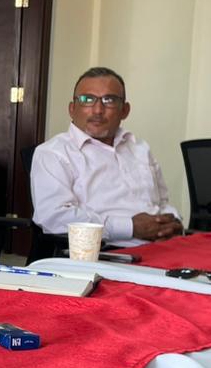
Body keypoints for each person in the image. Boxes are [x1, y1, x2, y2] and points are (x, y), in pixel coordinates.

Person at [30, 67, 182, 246]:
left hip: (163, 245)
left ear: (125, 110)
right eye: (87, 100)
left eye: (109, 100)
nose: (98, 110)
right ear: (72, 109)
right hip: (105, 252)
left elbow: (162, 202)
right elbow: (54, 217)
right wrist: (130, 227)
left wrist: (173, 224)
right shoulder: (53, 153)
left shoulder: (140, 148)